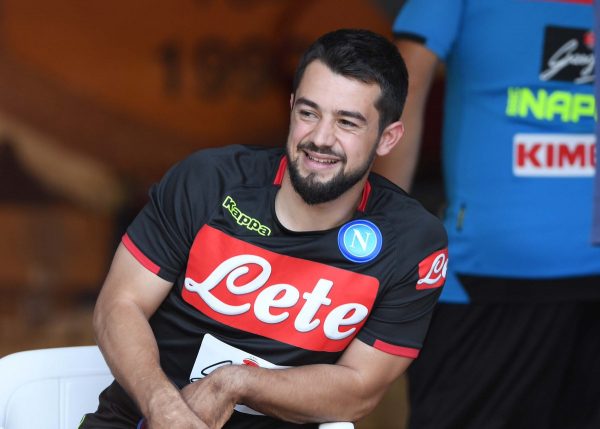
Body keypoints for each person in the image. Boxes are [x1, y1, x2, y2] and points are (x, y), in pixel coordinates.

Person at [80, 29, 448, 429]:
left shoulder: (411, 242)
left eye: (347, 123)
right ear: (291, 109)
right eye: (308, 113)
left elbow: (360, 390)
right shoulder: (208, 182)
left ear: (387, 138)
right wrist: (162, 406)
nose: (320, 139)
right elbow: (119, 304)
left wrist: (235, 383)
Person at [375, 1, 600, 428]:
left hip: (527, 279)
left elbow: (399, 91)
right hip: (490, 280)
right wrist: (381, 242)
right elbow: (400, 89)